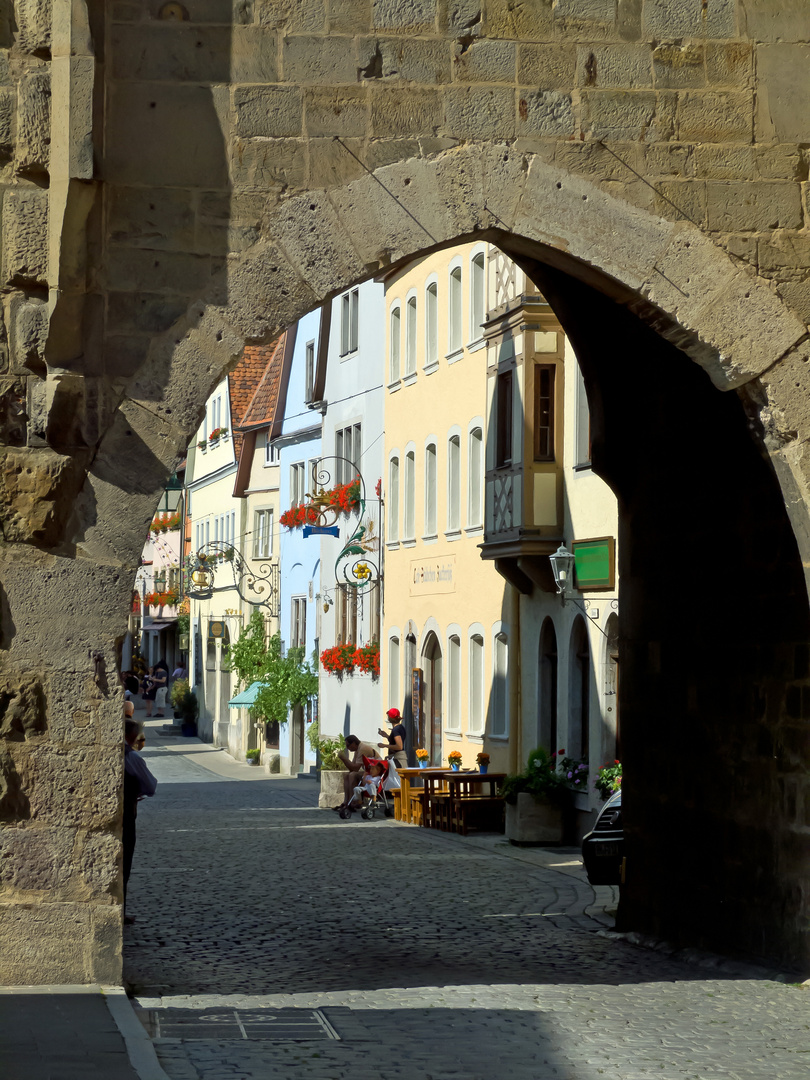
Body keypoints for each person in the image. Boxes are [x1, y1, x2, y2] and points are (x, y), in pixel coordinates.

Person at [123, 719, 157, 924]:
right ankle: (120, 909)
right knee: (124, 862)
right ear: (132, 736)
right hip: (127, 814)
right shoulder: (133, 758)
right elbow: (150, 787)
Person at [335, 734, 378, 811]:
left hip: (375, 773)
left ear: (354, 743)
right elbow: (352, 769)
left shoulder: (363, 749)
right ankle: (346, 801)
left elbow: (355, 768)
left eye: (348, 745)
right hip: (369, 772)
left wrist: (344, 758)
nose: (347, 748)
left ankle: (354, 802)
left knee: (352, 775)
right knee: (346, 776)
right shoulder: (357, 750)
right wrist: (344, 759)